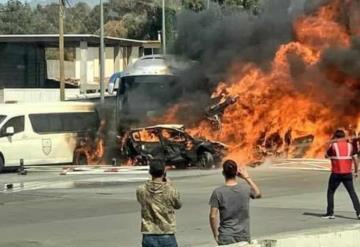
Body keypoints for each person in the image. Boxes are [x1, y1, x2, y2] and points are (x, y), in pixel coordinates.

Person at [209, 160, 261, 245]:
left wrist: (215, 235)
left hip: (226, 236)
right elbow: (258, 194)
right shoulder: (245, 189)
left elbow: (213, 216)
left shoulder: (218, 192)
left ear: (223, 173)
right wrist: (247, 178)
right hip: (243, 235)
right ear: (236, 173)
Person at [136, 160, 182, 247]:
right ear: (164, 172)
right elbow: (178, 205)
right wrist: (170, 185)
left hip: (149, 233)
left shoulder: (141, 189)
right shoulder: (170, 189)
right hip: (166, 232)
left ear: (150, 172)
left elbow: (141, 201)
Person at [323, 129, 360, 219]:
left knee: (330, 192)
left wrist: (330, 143)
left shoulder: (333, 146)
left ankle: (330, 213)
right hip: (347, 173)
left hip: (336, 173)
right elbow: (356, 159)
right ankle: (359, 213)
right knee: (352, 192)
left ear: (335, 137)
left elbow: (326, 156)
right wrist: (356, 172)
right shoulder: (350, 146)